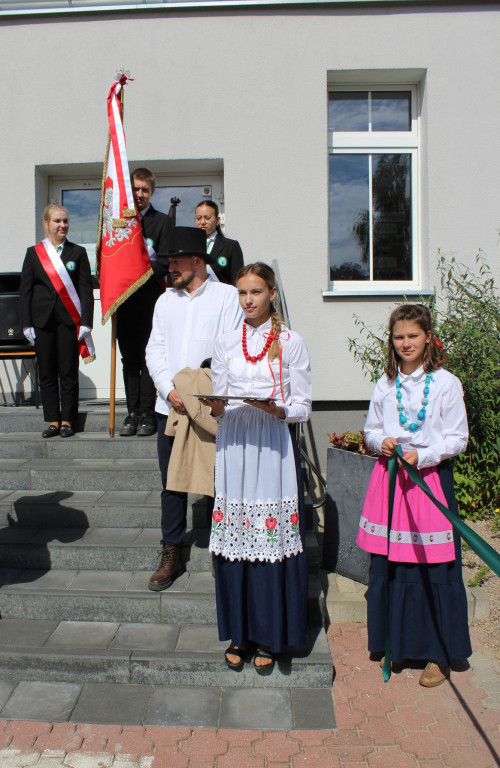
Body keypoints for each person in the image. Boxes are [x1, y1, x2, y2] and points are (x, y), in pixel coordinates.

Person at [202, 262, 311, 675]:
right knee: (236, 536)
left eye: (256, 292)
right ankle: (239, 633)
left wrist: (277, 407)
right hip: (234, 443)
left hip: (270, 443)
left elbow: (303, 406)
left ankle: (269, 635)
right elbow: (222, 399)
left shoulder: (291, 341)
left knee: (268, 538)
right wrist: (215, 404)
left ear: (271, 294)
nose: (249, 300)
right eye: (243, 293)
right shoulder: (227, 340)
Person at [356, 303, 472, 687]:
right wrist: (381, 442)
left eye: (413, 336)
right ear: (391, 340)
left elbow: (457, 438)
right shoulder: (384, 384)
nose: (406, 343)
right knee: (392, 567)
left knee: (432, 567)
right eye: (399, 336)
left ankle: (437, 654)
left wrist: (422, 455)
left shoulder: (445, 383)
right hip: (390, 482)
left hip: (429, 484)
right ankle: (397, 645)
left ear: (427, 338)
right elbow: (370, 429)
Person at [145, 226, 243, 591]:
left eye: (176, 261)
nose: (170, 267)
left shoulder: (227, 297)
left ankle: (223, 549)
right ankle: (171, 549)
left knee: (218, 481)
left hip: (209, 409)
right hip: (168, 406)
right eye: (169, 261)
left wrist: (200, 395)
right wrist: (170, 390)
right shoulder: (165, 301)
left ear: (197, 260)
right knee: (172, 483)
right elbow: (154, 349)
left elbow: (229, 352)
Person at [19, 204, 95, 438]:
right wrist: (26, 323)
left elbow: (85, 289)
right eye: (57, 221)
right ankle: (52, 420)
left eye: (65, 221)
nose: (62, 225)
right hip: (42, 321)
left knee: (68, 371)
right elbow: (26, 291)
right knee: (47, 372)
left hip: (68, 321)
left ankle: (67, 421)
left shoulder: (78, 252)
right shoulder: (34, 253)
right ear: (46, 223)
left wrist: (86, 321)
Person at [117, 168, 174, 437]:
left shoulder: (162, 222)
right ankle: (132, 413)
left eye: (144, 189)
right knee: (129, 359)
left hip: (151, 300)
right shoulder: (118, 223)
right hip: (125, 301)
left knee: (148, 359)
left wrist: (140, 269)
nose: (139, 194)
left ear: (152, 192)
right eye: (135, 189)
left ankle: (148, 414)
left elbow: (165, 261)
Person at [194, 200, 243, 285]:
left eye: (207, 217)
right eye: (198, 218)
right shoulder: (190, 247)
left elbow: (238, 280)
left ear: (217, 220)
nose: (202, 222)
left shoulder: (231, 246)